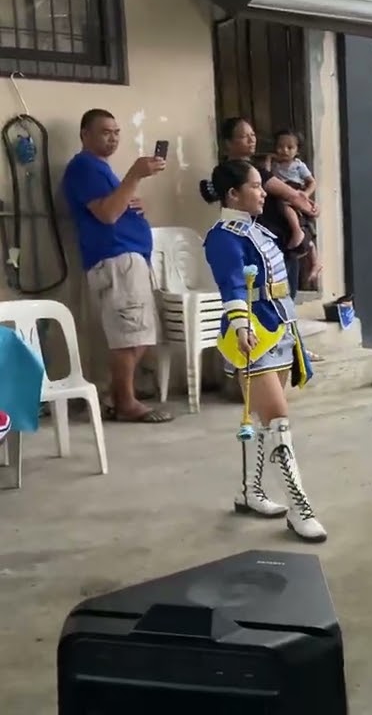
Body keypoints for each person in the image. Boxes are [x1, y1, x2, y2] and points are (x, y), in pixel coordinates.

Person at [199, 160, 325, 543]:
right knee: (278, 420)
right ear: (233, 194)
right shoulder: (223, 236)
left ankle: (251, 492)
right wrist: (239, 325)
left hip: (280, 330)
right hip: (251, 334)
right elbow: (232, 286)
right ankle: (300, 509)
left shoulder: (257, 229)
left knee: (265, 418)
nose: (264, 192)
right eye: (256, 186)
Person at [62, 108, 172, 424]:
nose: (113, 137)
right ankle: (126, 402)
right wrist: (134, 176)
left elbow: (114, 206)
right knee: (129, 335)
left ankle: (116, 395)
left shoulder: (101, 170)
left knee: (138, 333)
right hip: (115, 259)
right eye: (105, 131)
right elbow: (107, 214)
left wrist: (133, 202)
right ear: (85, 134)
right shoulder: (83, 167)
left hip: (129, 258)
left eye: (117, 132)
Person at [218, 117, 320, 301]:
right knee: (271, 303)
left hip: (280, 245)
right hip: (262, 243)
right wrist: (310, 208)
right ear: (228, 143)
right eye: (243, 136)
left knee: (284, 302)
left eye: (253, 135)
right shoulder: (237, 171)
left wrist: (308, 206)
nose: (251, 140)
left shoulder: (259, 167)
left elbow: (296, 195)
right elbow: (291, 195)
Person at [272, 129, 321, 285]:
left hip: (295, 193)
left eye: (290, 147)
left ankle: (296, 231)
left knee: (301, 225)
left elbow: (312, 182)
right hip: (283, 194)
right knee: (307, 234)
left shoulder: (298, 165)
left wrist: (306, 194)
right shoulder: (274, 165)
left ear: (297, 150)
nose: (284, 150)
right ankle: (315, 263)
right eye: (280, 146)